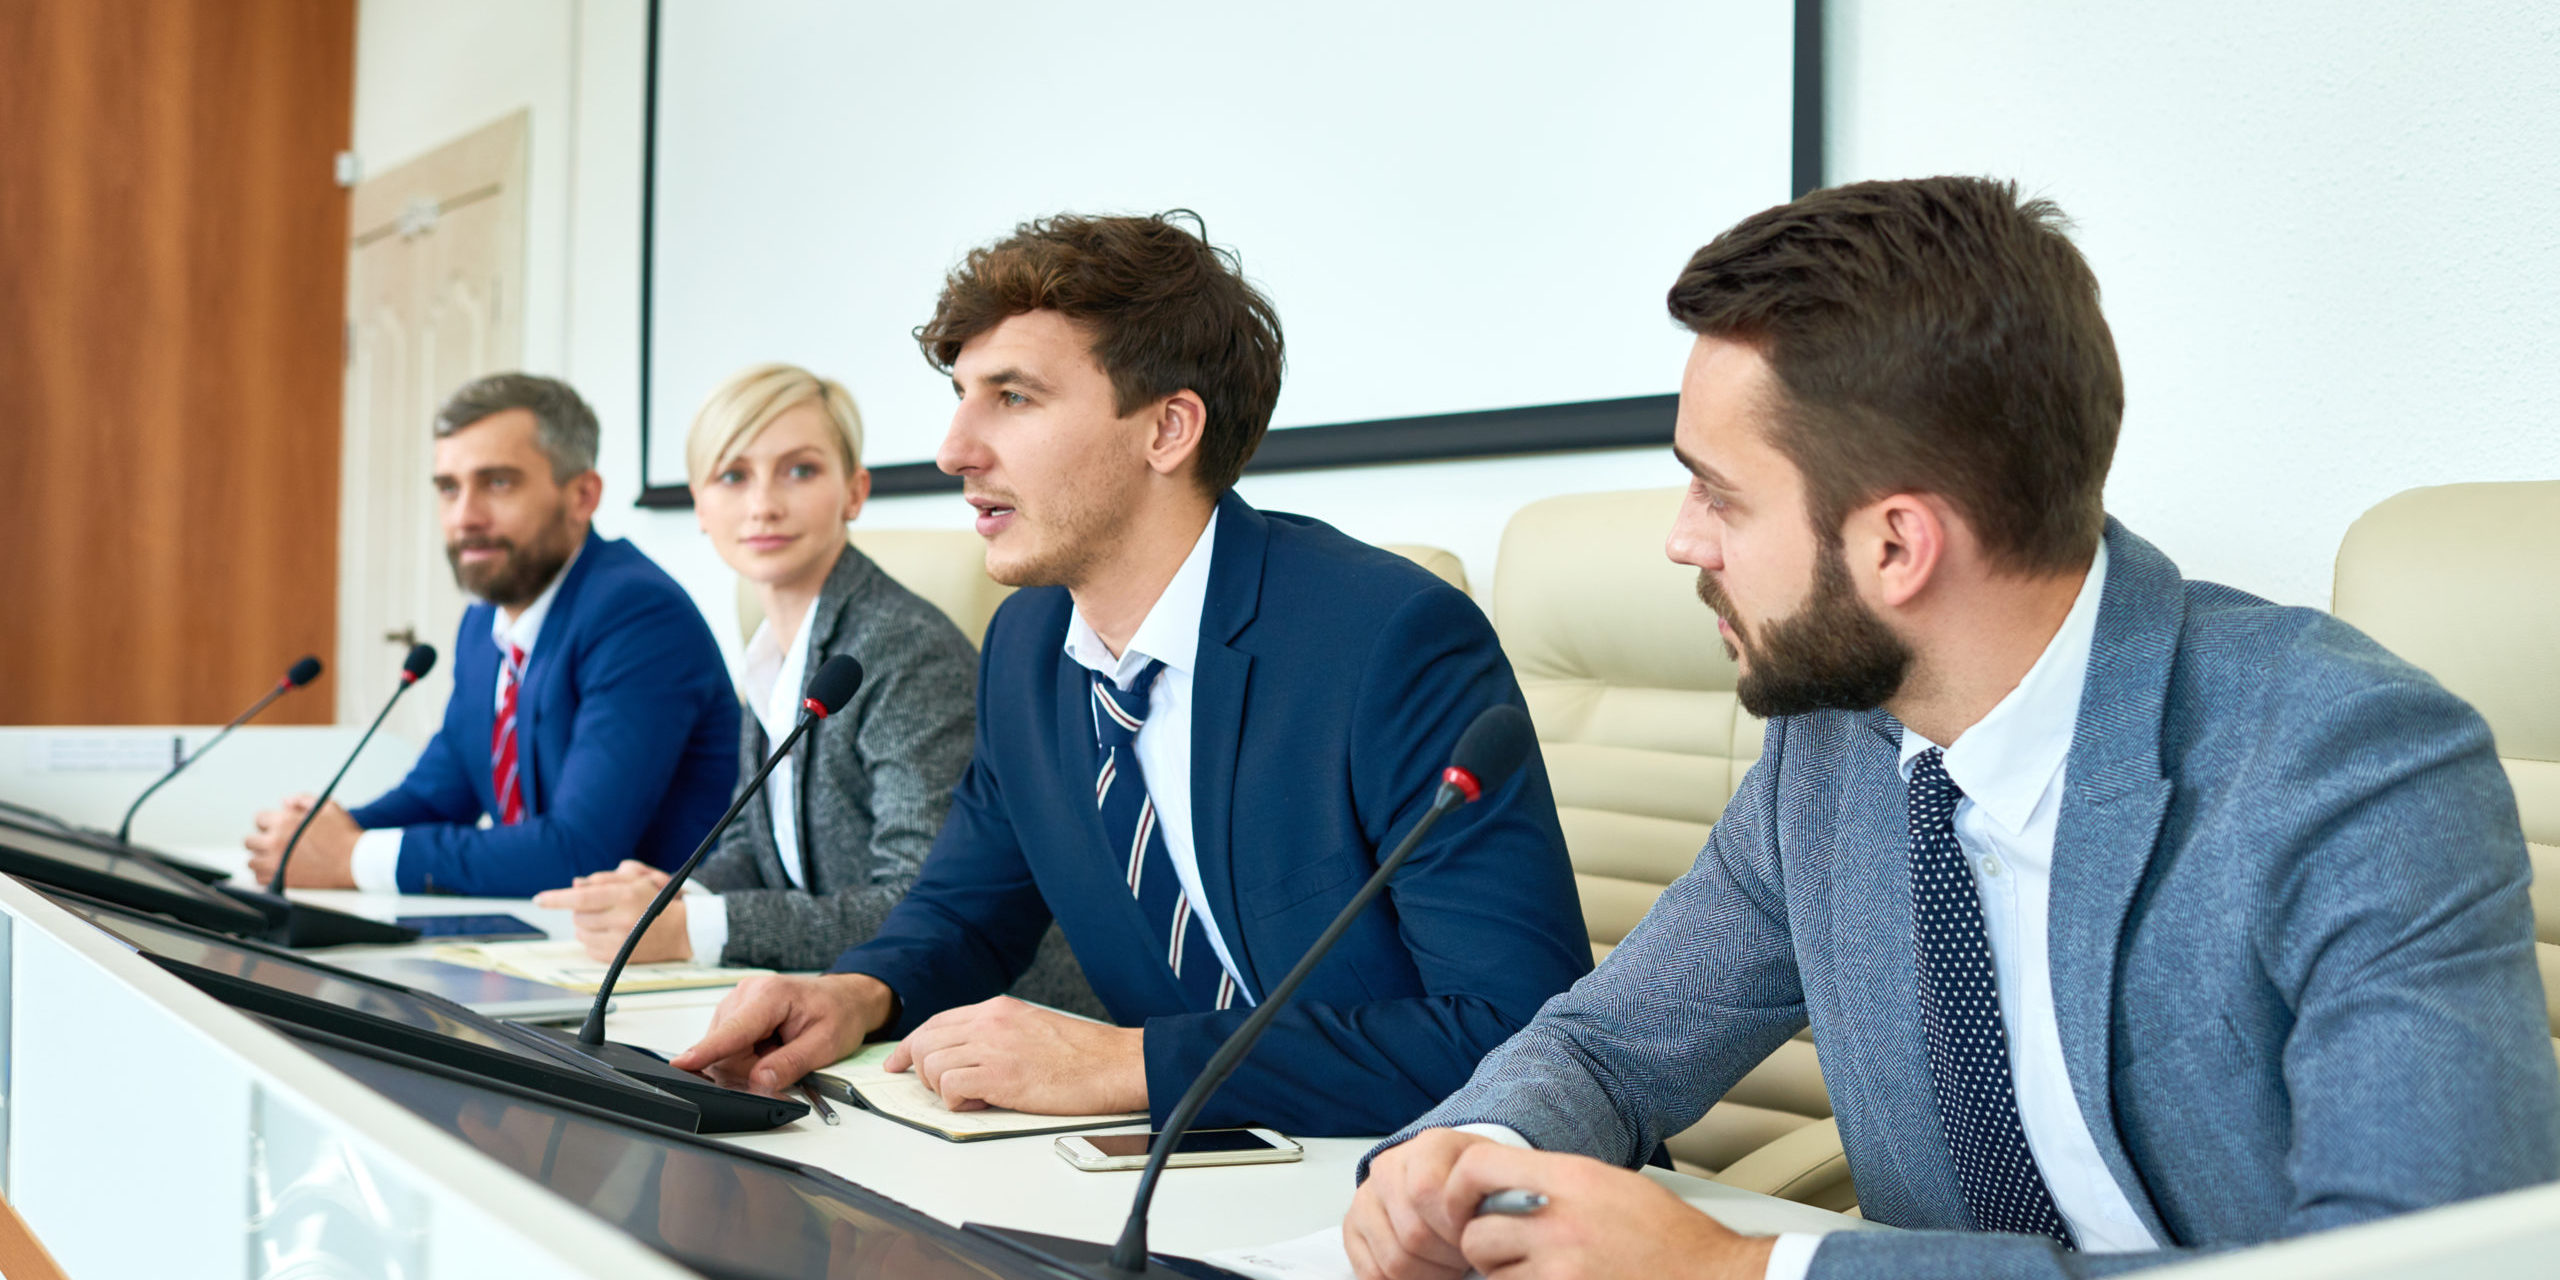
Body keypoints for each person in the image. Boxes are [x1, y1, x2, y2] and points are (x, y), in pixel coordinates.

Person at [1345, 177, 2560, 1279]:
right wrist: (1466, 1152)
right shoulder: (1833, 749)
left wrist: (1743, 1270)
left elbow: (2419, 1264)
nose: (1681, 538)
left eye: (1718, 490)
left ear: (1895, 544)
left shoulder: (2348, 767)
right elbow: (1613, 1046)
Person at [670, 212, 1592, 1138]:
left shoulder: (1387, 640)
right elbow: (965, 911)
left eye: (1014, 398)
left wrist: (1129, 1061)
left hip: (1451, 1180)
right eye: (961, 395)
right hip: (1194, 1176)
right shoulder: (1027, 647)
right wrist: (856, 994)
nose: (954, 450)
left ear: (1168, 429)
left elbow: (1513, 1032)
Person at [531, 363, 1096, 1013]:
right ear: (700, 506)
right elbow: (754, 850)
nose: (763, 504)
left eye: (800, 471)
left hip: (994, 1022)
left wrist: (700, 928)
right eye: (732, 476)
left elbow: (918, 904)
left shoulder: (901, 649)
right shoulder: (772, 649)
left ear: (854, 493)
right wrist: (674, 897)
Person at [245, 374, 739, 897]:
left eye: (498, 483)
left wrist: (353, 857)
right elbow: (440, 794)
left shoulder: (637, 615)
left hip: (656, 958)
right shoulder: (484, 623)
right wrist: (320, 835)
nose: (465, 517)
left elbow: (579, 852)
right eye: (449, 488)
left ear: (582, 496)